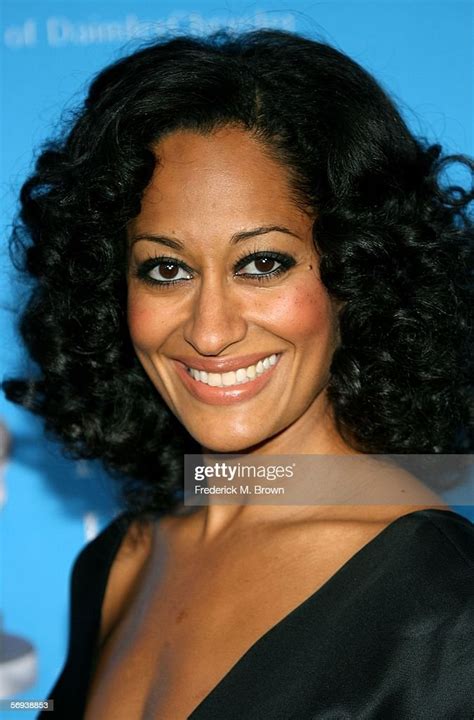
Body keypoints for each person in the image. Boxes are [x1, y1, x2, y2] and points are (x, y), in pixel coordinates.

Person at [3, 29, 473, 719]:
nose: (210, 330)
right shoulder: (116, 563)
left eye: (263, 263)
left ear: (357, 272)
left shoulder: (446, 607)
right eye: (167, 270)